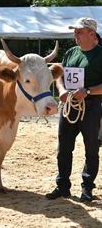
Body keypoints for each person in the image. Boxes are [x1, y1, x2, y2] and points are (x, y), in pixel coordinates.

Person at [46, 17, 102, 202]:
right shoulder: (71, 52)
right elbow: (59, 74)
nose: (75, 35)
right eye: (75, 32)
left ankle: (87, 188)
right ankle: (62, 187)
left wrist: (87, 91)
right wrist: (61, 90)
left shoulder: (100, 55)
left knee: (91, 149)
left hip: (92, 107)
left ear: (91, 34)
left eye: (79, 31)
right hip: (69, 107)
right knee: (64, 148)